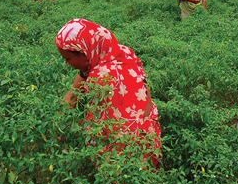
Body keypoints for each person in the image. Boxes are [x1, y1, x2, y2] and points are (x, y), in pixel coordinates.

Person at [56, 19, 161, 168]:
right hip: (150, 143)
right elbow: (72, 94)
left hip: (127, 155)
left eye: (68, 58)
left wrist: (65, 128)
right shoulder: (118, 52)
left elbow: (97, 128)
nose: (66, 63)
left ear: (84, 53)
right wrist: (58, 114)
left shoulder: (100, 77)